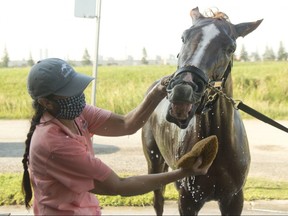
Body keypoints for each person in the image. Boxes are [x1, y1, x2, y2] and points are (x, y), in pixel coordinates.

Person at [21, 58, 212, 215]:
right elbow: (119, 186)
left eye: (77, 87)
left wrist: (159, 89)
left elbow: (126, 124)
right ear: (46, 102)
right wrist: (183, 173)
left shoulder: (74, 113)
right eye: (70, 92)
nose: (79, 94)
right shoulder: (54, 144)